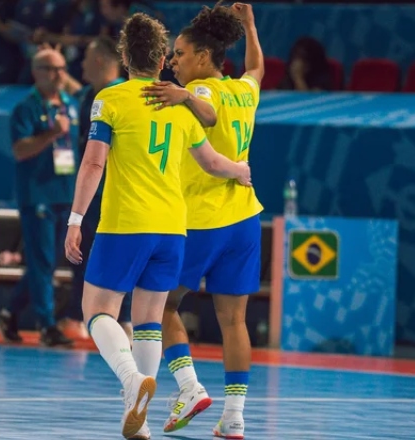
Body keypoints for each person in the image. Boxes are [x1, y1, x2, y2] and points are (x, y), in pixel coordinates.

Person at [64, 13, 251, 439]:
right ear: (163, 59)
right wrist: (239, 169)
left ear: (124, 56)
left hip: (126, 223)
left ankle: (131, 380)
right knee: (148, 321)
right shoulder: (179, 105)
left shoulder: (111, 99)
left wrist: (75, 219)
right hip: (172, 230)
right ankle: (140, 422)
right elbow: (211, 162)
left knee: (97, 311)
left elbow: (93, 163)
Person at [141, 3, 264, 438]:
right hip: (244, 220)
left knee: (158, 303)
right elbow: (257, 68)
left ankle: (189, 387)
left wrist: (185, 96)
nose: (173, 61)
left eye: (179, 53)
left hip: (202, 220)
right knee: (234, 321)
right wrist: (250, 26)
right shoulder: (244, 91)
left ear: (204, 56)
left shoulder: (204, 91)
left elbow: (208, 113)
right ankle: (234, 418)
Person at [0, 48, 77, 348]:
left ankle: (8, 314)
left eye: (62, 68)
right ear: (36, 71)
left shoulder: (70, 104)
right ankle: (46, 324)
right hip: (38, 194)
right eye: (51, 69)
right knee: (42, 261)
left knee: (47, 263)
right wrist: (51, 133)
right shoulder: (26, 108)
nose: (58, 74)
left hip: (65, 191)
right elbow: (20, 150)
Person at [58, 36, 132, 341]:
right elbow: (77, 90)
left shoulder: (122, 96)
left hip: (113, 195)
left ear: (100, 60)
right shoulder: (92, 95)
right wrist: (58, 72)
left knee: (117, 257)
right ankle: (84, 317)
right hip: (91, 196)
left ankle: (123, 321)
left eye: (87, 58)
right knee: (83, 257)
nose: (82, 63)